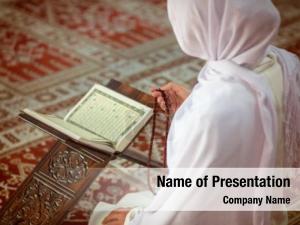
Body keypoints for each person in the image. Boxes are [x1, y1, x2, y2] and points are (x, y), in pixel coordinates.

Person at [90, 0, 300, 224]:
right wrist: (192, 108)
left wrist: (133, 220)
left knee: (110, 213)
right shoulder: (286, 63)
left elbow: (189, 208)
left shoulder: (214, 104)